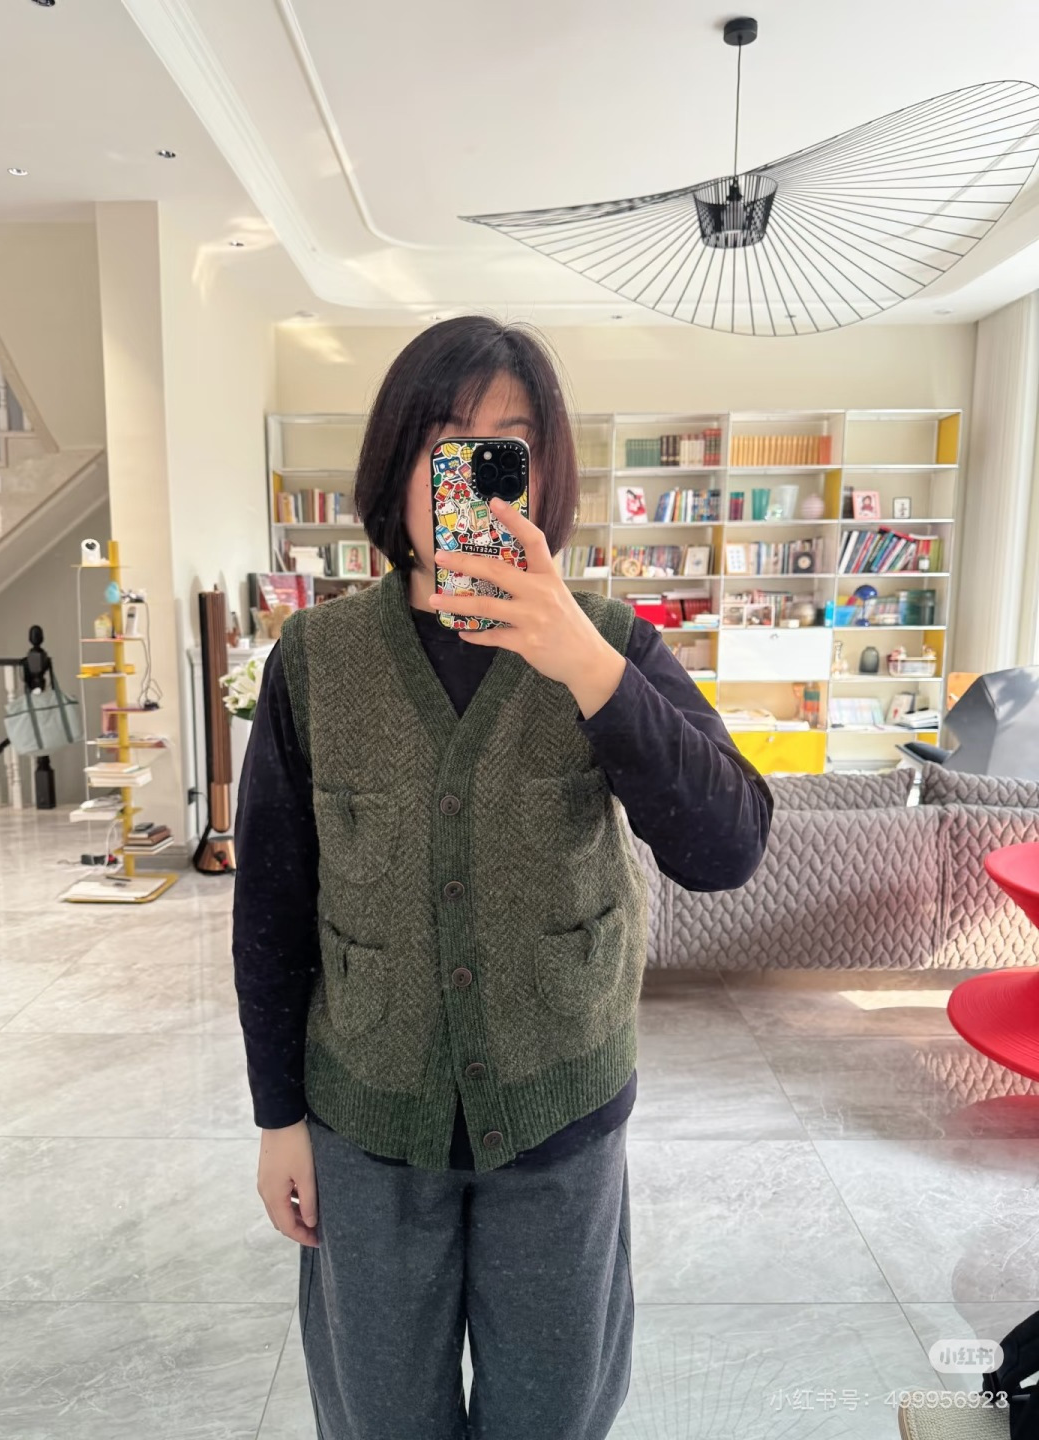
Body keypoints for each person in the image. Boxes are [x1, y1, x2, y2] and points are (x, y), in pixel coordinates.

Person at [232, 316, 774, 1440]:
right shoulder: (314, 663)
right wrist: (278, 1118)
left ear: (541, 473)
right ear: (397, 463)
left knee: (552, 1418)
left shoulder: (611, 640)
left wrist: (587, 665)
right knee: (381, 1419)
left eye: (505, 446)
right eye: (446, 440)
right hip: (367, 1124)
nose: (473, 473)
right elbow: (272, 906)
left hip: (559, 1119)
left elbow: (728, 848)